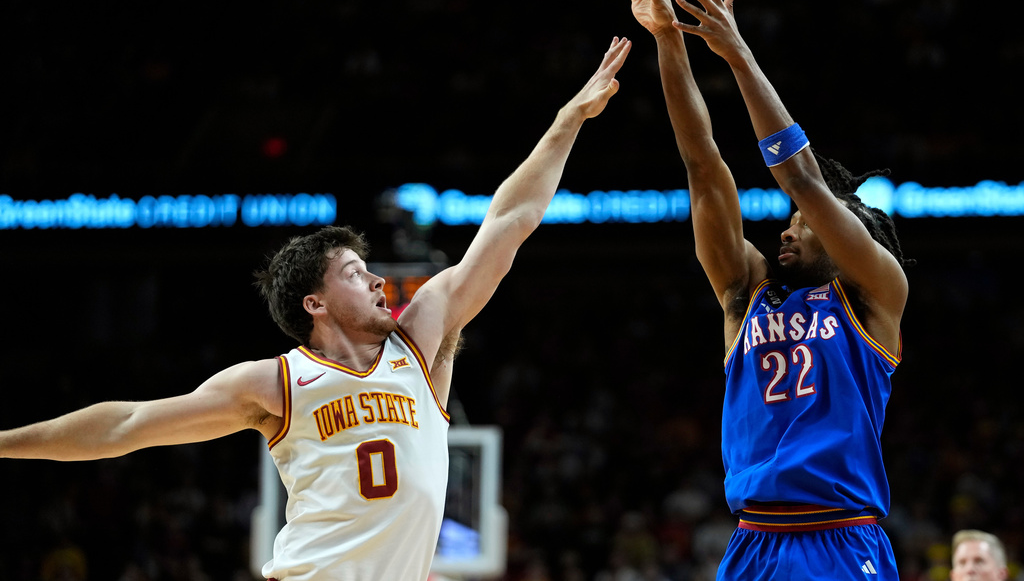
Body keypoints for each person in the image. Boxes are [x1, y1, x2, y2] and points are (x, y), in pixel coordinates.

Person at [0, 36, 632, 581]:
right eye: (357, 275)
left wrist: (568, 119)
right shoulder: (273, 383)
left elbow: (510, 220)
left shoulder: (422, 344)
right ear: (316, 303)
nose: (381, 283)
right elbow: (127, 425)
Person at [607, 0, 912, 580]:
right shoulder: (746, 293)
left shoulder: (875, 292)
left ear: (845, 231)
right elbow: (702, 163)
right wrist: (668, 41)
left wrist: (738, 55)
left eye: (800, 224)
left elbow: (801, 178)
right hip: (752, 542)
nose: (784, 229)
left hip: (839, 538)